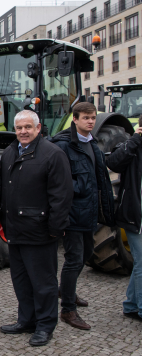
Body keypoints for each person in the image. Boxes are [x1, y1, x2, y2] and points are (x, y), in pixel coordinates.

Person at [0, 110, 73, 346]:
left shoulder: (53, 154)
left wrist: (54, 229)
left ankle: (45, 325)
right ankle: (26, 320)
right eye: (19, 128)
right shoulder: (11, 152)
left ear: (38, 128)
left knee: (43, 283)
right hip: (16, 231)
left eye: (28, 127)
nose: (23, 131)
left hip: (40, 232)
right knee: (21, 281)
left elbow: (61, 197)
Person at [50, 102, 115, 330]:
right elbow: (60, 181)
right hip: (72, 213)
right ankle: (68, 309)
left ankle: (65, 290)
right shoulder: (63, 145)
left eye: (92, 117)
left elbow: (101, 179)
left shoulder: (92, 143)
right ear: (74, 119)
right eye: (85, 117)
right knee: (74, 258)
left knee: (87, 253)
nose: (90, 121)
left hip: (89, 213)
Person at [107, 115, 142, 321]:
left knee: (140, 262)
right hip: (135, 215)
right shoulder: (132, 146)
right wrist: (135, 139)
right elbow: (114, 163)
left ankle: (130, 304)